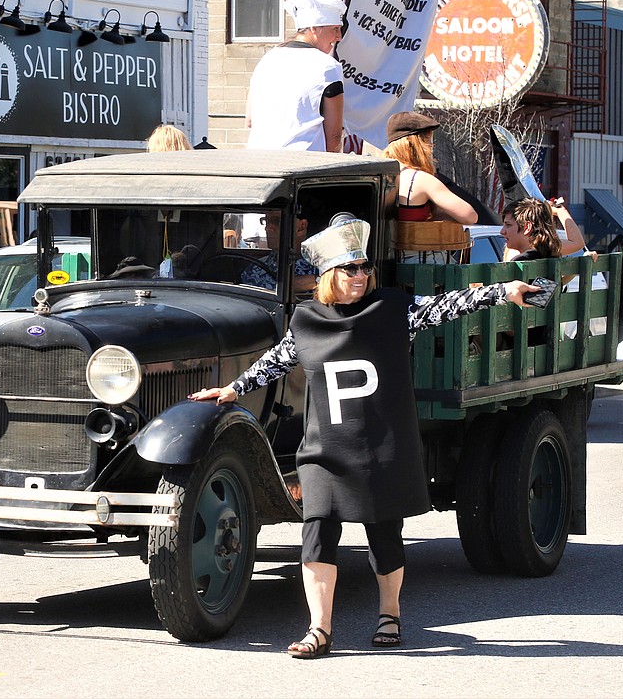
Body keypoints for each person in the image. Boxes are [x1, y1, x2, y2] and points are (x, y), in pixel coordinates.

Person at [189, 213, 538, 659]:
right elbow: (277, 360)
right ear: (328, 275)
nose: (360, 275)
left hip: (380, 448)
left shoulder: (392, 310)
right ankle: (319, 629)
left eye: (365, 266)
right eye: (349, 268)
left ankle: (389, 615)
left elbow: (448, 305)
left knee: (384, 537)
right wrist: (233, 389)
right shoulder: (307, 321)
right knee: (317, 532)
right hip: (324, 451)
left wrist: (504, 291)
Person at [245, 0, 345, 152]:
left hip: (258, 159)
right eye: (335, 29)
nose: (339, 36)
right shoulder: (328, 66)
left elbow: (250, 120)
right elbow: (334, 135)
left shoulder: (267, 60)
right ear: (314, 28)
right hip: (304, 161)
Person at [383, 112, 477, 224]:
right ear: (412, 143)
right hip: (414, 236)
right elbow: (470, 216)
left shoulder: (383, 173)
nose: (431, 146)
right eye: (426, 140)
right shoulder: (420, 179)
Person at [239, 210, 318, 293]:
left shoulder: (321, 270)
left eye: (277, 221)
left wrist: (317, 281)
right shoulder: (254, 269)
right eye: (266, 220)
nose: (267, 228)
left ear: (301, 227)